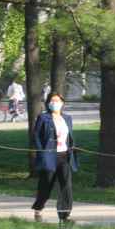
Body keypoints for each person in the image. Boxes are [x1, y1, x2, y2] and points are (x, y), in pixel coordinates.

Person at [31, 94, 78, 222]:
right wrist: (42, 151)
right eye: (51, 101)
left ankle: (64, 215)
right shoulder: (43, 117)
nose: (54, 103)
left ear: (62, 103)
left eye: (56, 100)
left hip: (65, 156)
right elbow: (36, 136)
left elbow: (69, 136)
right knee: (46, 185)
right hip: (49, 156)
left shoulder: (67, 118)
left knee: (66, 186)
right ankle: (38, 207)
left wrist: (72, 147)